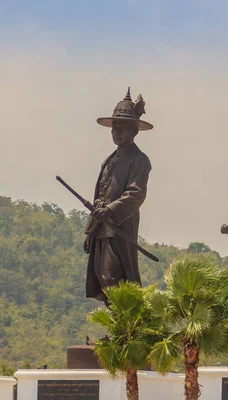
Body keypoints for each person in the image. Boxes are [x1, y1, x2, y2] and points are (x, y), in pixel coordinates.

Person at [84, 88, 153, 304]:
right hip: (101, 226)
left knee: (113, 275)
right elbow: (100, 194)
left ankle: (128, 325)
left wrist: (111, 210)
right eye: (114, 127)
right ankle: (119, 325)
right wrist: (90, 230)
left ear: (134, 131)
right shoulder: (109, 160)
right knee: (100, 276)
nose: (116, 132)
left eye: (122, 128)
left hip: (119, 225)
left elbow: (136, 193)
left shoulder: (139, 159)